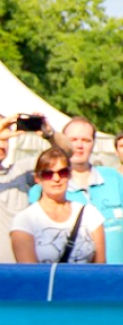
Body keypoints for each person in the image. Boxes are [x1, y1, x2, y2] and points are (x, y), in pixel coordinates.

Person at [29, 117, 123, 264]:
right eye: (73, 139)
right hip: (69, 280)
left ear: (93, 144)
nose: (79, 145)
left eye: (86, 140)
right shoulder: (47, 188)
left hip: (117, 279)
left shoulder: (113, 179)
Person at [11, 148, 106, 264]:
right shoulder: (25, 220)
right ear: (37, 178)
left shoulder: (90, 214)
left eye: (63, 172)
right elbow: (29, 274)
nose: (56, 179)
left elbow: (100, 267)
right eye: (48, 174)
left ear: (69, 175)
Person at [0, 113, 70, 263]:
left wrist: (50, 134)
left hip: (19, 273)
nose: (2, 144)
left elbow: (66, 155)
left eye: (6, 139)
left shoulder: (19, 171)